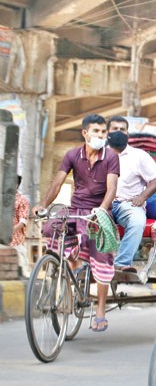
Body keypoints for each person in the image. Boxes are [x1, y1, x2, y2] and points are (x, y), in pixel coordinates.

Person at [33, 114, 119, 332]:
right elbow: (58, 182)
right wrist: (43, 204)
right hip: (75, 209)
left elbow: (112, 189)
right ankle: (69, 270)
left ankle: (99, 308)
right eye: (96, 131)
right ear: (85, 133)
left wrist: (101, 210)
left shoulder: (110, 157)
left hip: (99, 212)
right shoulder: (72, 155)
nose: (100, 135)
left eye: (103, 132)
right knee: (53, 227)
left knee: (101, 255)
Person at [106, 116, 156, 275]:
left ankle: (121, 263)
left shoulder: (139, 155)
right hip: (104, 204)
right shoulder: (99, 155)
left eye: (122, 129)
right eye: (114, 129)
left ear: (127, 134)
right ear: (107, 133)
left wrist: (142, 197)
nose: (118, 132)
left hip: (128, 204)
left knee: (138, 221)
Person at [11, 175, 30, 277]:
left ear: (15, 185)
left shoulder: (22, 200)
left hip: (16, 239)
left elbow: (22, 222)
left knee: (23, 271)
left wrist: (10, 231)